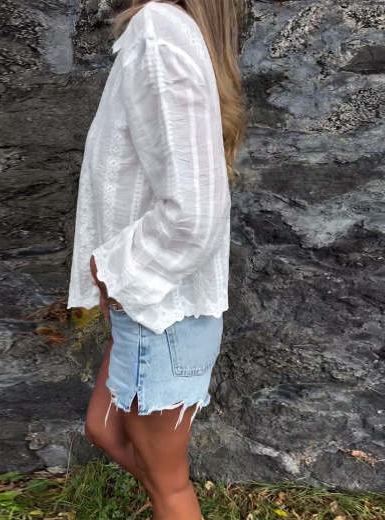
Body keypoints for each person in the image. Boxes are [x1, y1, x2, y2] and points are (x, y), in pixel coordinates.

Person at [67, 1, 247, 518]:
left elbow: (195, 214)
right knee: (104, 431)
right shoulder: (166, 32)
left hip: (160, 311)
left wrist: (117, 271)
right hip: (151, 308)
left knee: (170, 487)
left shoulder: (160, 30)